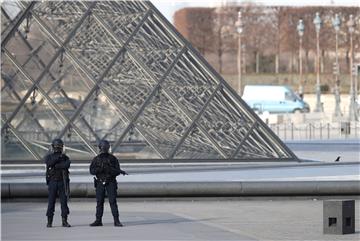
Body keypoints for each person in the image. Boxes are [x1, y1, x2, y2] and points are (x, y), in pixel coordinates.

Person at [89, 139, 128, 227]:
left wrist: (109, 171)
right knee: (101, 202)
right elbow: (92, 171)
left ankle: (116, 220)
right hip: (100, 182)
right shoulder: (97, 159)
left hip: (110, 182)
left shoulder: (112, 159)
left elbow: (117, 171)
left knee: (111, 202)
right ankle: (99, 220)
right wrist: (101, 169)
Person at [45, 138, 71, 228]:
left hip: (62, 182)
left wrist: (56, 165)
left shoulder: (65, 157)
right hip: (53, 182)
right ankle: (49, 221)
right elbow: (49, 163)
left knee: (63, 202)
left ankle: (64, 221)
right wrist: (58, 160)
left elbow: (67, 164)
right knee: (51, 202)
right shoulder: (50, 157)